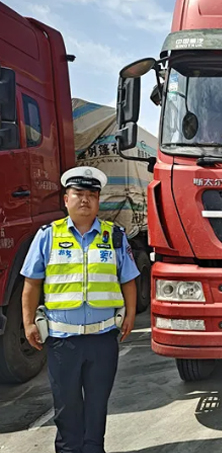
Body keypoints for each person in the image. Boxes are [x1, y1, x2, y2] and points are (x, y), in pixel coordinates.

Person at [21, 166, 140, 453]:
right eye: (78, 194)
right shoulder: (48, 236)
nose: (85, 199)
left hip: (102, 339)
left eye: (91, 194)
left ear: (98, 201)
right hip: (64, 342)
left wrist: (130, 315)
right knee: (67, 408)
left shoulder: (114, 236)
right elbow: (31, 283)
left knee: (97, 407)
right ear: (66, 199)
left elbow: (128, 280)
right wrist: (28, 322)